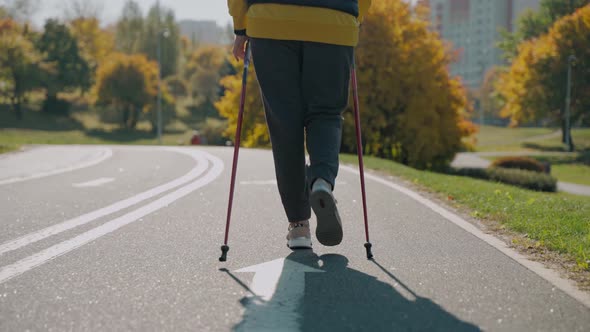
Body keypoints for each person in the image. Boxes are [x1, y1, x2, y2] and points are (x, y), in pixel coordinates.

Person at [228, 0, 372, 249]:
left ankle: (299, 227)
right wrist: (355, 18)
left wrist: (241, 27)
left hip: (270, 22)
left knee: (284, 122)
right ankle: (321, 181)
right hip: (334, 22)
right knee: (326, 113)